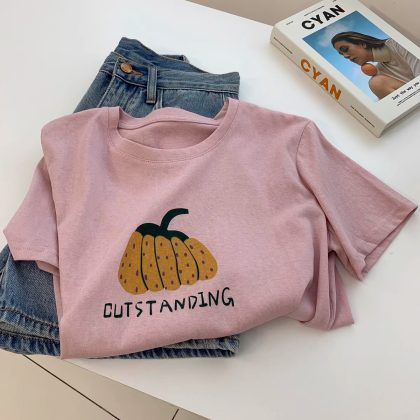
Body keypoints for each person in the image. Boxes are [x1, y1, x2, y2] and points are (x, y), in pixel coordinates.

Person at [331, 31, 420, 99]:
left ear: (362, 43)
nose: (345, 56)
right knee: (376, 83)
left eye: (345, 49)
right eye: (341, 54)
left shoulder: (397, 44)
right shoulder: (380, 73)